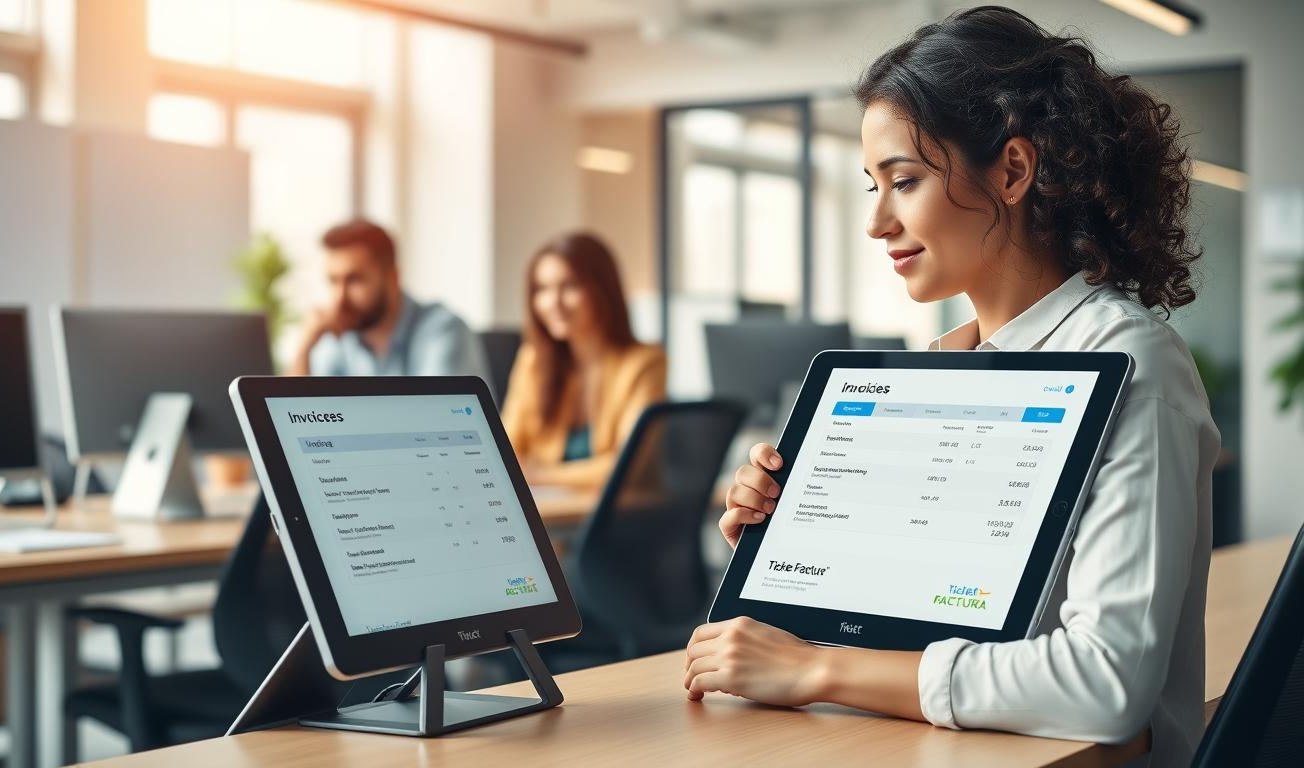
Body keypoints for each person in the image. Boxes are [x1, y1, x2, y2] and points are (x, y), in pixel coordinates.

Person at [683, 8, 1218, 767]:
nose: (876, 222)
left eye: (903, 180)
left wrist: (815, 668)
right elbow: (910, 638)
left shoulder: (1134, 362)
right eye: (872, 185)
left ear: (1012, 170)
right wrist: (788, 559)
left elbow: (1105, 684)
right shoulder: (943, 368)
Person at [502, 232, 666, 489]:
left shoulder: (644, 363)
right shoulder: (532, 361)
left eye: (569, 286)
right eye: (542, 289)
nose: (553, 303)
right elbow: (504, 453)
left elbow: (627, 466)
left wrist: (539, 474)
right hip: (553, 515)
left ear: (602, 289)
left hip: (621, 518)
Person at [289, 219, 491, 390]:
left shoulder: (444, 330)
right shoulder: (339, 340)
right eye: (333, 281)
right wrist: (304, 348)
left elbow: (436, 423)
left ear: (392, 277)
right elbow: (297, 416)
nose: (339, 298)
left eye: (354, 280)